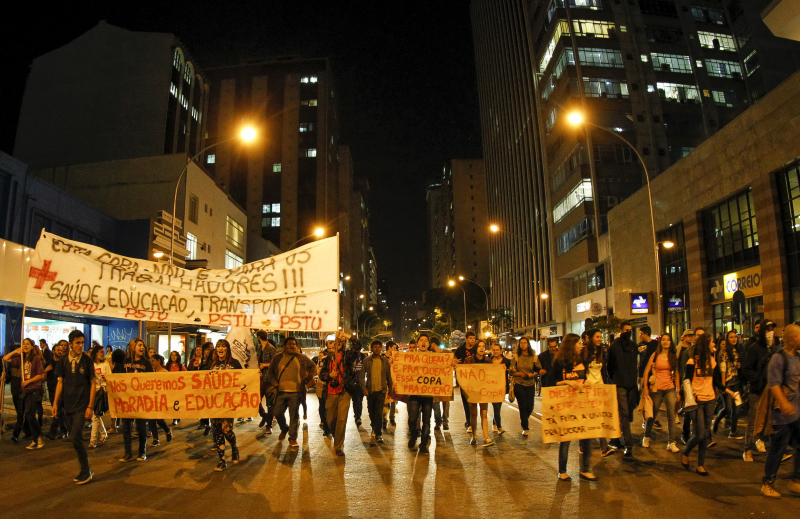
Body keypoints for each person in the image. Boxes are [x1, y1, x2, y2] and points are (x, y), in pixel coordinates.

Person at [760, 324, 800, 498]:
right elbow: (774, 384)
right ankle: (767, 483)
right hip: (781, 415)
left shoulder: (798, 357)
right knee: (778, 449)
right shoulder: (778, 358)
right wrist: (784, 403)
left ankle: (796, 481)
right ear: (791, 338)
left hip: (797, 412)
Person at [52, 330, 95, 484]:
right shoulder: (63, 360)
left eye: (82, 342)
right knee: (74, 439)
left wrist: (90, 406)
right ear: (70, 344)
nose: (80, 346)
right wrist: (55, 403)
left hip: (82, 405)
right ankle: (85, 468)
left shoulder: (87, 360)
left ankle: (86, 470)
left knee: (76, 436)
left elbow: (93, 383)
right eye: (77, 343)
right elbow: (60, 382)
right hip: (67, 405)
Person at [552, 333, 596, 481]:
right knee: (566, 438)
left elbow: (583, 378)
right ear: (572, 345)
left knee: (587, 436)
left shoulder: (581, 360)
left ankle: (585, 469)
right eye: (578, 343)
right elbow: (550, 384)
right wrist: (564, 383)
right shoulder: (559, 362)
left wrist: (586, 382)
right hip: (566, 406)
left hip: (582, 404)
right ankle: (562, 470)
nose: (581, 345)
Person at [681, 333, 722, 476]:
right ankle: (686, 451)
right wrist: (688, 397)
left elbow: (716, 381)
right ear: (706, 344)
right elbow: (686, 381)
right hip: (696, 401)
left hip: (710, 400)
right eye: (712, 343)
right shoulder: (692, 362)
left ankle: (700, 465)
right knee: (700, 434)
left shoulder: (713, 361)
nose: (714, 345)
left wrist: (727, 390)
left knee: (705, 434)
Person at [267, 337, 316, 449]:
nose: (292, 346)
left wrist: (307, 380)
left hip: (296, 393)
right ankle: (284, 428)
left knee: (293, 415)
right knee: (278, 412)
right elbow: (270, 372)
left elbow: (313, 367)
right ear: (285, 346)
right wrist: (274, 382)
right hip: (280, 392)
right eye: (289, 344)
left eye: (294, 344)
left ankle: (292, 438)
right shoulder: (277, 358)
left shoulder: (301, 358)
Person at [742, 320, 777, 461]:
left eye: (771, 330)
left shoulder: (774, 349)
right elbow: (746, 368)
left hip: (771, 390)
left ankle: (772, 449)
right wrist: (757, 378)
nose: (770, 333)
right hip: (757, 390)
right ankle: (747, 449)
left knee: (772, 421)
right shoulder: (755, 348)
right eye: (767, 330)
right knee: (753, 421)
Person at [642, 332, 681, 452]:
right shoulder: (655, 355)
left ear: (671, 342)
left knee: (671, 416)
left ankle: (671, 442)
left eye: (668, 340)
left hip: (670, 388)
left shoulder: (673, 356)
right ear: (661, 342)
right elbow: (646, 371)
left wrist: (678, 390)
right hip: (656, 388)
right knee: (652, 415)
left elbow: (677, 373)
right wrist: (645, 389)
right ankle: (646, 436)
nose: (665, 342)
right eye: (663, 340)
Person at [3, 338, 46, 449]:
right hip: (25, 391)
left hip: (35, 389)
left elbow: (41, 375)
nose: (25, 345)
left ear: (32, 346)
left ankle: (38, 437)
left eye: (28, 344)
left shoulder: (36, 359)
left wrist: (28, 381)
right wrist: (16, 351)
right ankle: (35, 438)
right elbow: (5, 358)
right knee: (27, 414)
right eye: (24, 344)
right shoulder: (21, 359)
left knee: (30, 414)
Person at [320, 332, 357, 455]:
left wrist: (346, 335)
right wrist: (329, 375)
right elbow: (322, 375)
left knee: (342, 419)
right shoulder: (327, 360)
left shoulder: (348, 356)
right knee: (330, 420)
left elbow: (357, 345)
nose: (338, 344)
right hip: (331, 392)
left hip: (345, 392)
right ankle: (337, 436)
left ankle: (338, 446)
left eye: (340, 342)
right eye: (336, 343)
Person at [208, 340, 242, 471]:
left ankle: (234, 447)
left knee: (226, 430)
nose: (220, 348)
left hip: (229, 402)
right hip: (214, 402)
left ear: (227, 349)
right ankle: (221, 460)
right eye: (218, 346)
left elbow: (244, 378)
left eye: (223, 346)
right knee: (217, 431)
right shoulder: (212, 364)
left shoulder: (235, 363)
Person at [607, 321, 639, 457]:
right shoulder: (614, 346)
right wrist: (614, 379)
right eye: (626, 330)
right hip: (620, 383)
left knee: (628, 412)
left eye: (630, 330)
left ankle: (621, 438)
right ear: (621, 330)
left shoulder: (633, 346)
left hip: (631, 384)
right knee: (624, 413)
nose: (628, 332)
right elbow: (610, 365)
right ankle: (628, 443)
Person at [119, 337, 153, 463]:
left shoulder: (146, 363)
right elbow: (120, 379)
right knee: (126, 427)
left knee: (141, 427)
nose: (142, 347)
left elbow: (151, 380)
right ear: (133, 348)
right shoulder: (126, 361)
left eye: (143, 345)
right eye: (139, 345)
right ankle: (127, 452)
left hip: (141, 400)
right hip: (128, 400)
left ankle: (142, 451)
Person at [584, 329, 613, 456]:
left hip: (600, 387)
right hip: (588, 389)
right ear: (590, 338)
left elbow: (604, 370)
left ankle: (604, 447)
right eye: (597, 337)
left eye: (600, 337)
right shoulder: (584, 352)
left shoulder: (602, 351)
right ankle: (583, 444)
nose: (600, 339)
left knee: (600, 417)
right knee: (588, 418)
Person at [407, 334, 436, 453]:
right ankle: (413, 437)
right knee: (412, 419)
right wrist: (393, 362)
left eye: (426, 341)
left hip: (428, 394)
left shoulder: (434, 357)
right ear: (417, 343)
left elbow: (443, 367)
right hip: (414, 393)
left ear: (429, 344)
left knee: (427, 420)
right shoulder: (410, 356)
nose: (423, 342)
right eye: (421, 340)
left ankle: (423, 444)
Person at [713, 330, 743, 440]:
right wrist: (723, 386)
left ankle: (733, 431)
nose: (734, 339)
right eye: (731, 337)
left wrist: (739, 366)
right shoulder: (723, 352)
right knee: (728, 408)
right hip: (727, 383)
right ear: (727, 339)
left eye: (735, 337)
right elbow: (723, 369)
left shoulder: (737, 350)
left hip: (736, 382)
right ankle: (717, 420)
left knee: (737, 407)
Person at [361, 340, 392, 443]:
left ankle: (378, 433)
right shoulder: (367, 361)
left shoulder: (385, 361)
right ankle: (374, 426)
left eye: (379, 347)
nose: (377, 349)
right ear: (372, 348)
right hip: (370, 391)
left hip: (381, 391)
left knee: (379, 412)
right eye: (375, 347)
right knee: (371, 411)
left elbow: (388, 376)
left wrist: (390, 388)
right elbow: (361, 376)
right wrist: (364, 389)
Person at [464, 340, 494, 447]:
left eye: (483, 346)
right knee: (473, 413)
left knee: (484, 413)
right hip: (472, 390)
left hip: (484, 390)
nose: (481, 348)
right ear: (476, 348)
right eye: (479, 346)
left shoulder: (488, 361)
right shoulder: (468, 360)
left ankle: (486, 438)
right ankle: (474, 436)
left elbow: (493, 374)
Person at [511, 336, 541, 437]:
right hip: (519, 383)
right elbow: (511, 371)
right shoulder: (516, 357)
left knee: (530, 406)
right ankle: (525, 427)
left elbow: (538, 370)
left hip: (530, 383)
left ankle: (524, 419)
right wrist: (519, 374)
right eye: (521, 343)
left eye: (525, 343)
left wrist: (532, 375)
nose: (523, 345)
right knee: (522, 406)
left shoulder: (534, 357)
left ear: (528, 344)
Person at [44, 340, 68, 440]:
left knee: (57, 410)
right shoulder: (49, 363)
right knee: (59, 412)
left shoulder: (63, 362)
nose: (60, 351)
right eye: (58, 350)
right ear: (53, 351)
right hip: (51, 390)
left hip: (61, 390)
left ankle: (53, 432)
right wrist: (46, 371)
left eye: (61, 350)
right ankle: (64, 430)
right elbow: (43, 377)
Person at [147, 354, 173, 446]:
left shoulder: (165, 372)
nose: (152, 363)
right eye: (151, 361)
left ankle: (167, 430)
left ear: (159, 361)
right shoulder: (151, 372)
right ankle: (155, 439)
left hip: (161, 399)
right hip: (152, 399)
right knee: (151, 420)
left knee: (159, 419)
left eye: (153, 361)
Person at [454, 331, 477, 430]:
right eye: (471, 338)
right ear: (466, 339)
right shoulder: (460, 350)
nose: (472, 340)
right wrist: (456, 362)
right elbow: (455, 360)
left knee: (473, 402)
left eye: (473, 338)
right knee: (466, 402)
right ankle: (469, 422)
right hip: (463, 379)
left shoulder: (476, 349)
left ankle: (473, 421)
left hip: (475, 379)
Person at [88, 345, 110, 449]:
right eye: (101, 352)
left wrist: (106, 378)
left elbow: (110, 377)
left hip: (101, 392)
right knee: (95, 415)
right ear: (96, 354)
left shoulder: (105, 364)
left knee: (95, 416)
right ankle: (103, 433)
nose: (103, 354)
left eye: (104, 352)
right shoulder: (91, 364)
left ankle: (93, 440)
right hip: (93, 392)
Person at [257, 331, 277, 432]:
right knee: (256, 400)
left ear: (259, 337)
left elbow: (275, 363)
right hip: (260, 378)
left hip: (269, 380)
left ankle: (269, 425)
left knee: (270, 403)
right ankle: (263, 415)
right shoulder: (259, 348)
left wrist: (264, 365)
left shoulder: (271, 348)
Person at [489, 342, 511, 435]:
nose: (495, 352)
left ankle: (495, 423)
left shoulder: (506, 361)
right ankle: (499, 426)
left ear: (501, 351)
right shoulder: (489, 361)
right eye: (494, 350)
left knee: (498, 406)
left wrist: (508, 371)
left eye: (497, 350)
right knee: (496, 406)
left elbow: (511, 372)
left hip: (502, 386)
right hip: (492, 386)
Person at [348, 340, 367, 427]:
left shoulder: (364, 357)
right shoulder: (349, 357)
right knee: (355, 401)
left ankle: (358, 417)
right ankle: (356, 415)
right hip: (351, 382)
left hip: (360, 382)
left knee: (359, 401)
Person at [383, 341, 399, 428]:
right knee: (384, 402)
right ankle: (384, 419)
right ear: (389, 348)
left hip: (393, 383)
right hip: (384, 383)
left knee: (393, 401)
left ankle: (392, 418)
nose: (395, 350)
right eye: (394, 348)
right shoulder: (382, 358)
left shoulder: (396, 358)